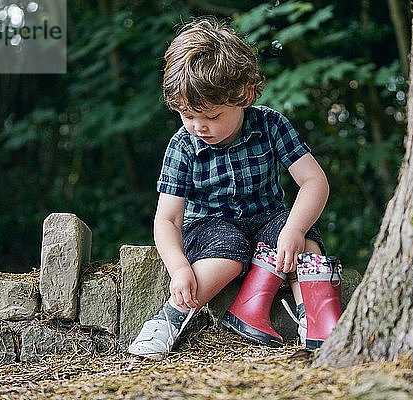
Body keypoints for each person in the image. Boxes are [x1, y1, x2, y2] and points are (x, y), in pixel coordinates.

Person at [128, 18, 339, 360]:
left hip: (268, 217)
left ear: (245, 95)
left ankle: (314, 324)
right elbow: (167, 219)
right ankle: (169, 319)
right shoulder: (183, 146)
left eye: (211, 116)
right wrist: (180, 268)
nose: (199, 127)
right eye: (187, 115)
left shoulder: (270, 125)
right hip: (209, 228)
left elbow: (314, 181)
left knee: (305, 241)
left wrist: (294, 229)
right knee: (228, 251)